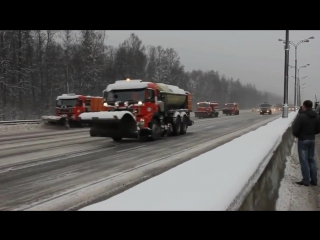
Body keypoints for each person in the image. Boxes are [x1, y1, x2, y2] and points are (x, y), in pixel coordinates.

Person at [292, 100, 320, 186]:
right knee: (311, 159)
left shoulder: (301, 117)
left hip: (303, 140)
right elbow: (318, 129)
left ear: (304, 106)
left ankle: (306, 180)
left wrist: (298, 135)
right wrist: (312, 134)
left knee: (304, 161)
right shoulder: (316, 116)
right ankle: (314, 180)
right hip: (312, 139)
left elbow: (295, 129)